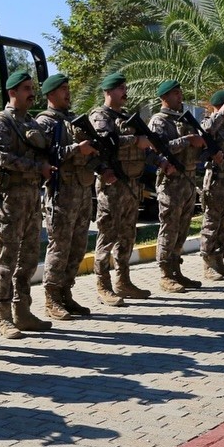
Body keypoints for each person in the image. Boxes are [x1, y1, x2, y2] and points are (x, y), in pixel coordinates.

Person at [0, 70, 52, 339]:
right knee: (7, 261)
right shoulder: (0, 123)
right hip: (10, 201)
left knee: (28, 260)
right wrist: (39, 168)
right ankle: (3, 317)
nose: (31, 93)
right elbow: (4, 159)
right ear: (12, 92)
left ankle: (22, 311)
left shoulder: (30, 121)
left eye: (32, 88)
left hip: (31, 200)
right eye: (26, 88)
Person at [35, 73, 99, 321]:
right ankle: (51, 298)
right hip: (62, 193)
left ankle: (65, 293)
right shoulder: (45, 122)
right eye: (63, 89)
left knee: (78, 246)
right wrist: (76, 149)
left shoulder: (74, 120)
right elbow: (45, 156)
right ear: (50, 94)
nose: (68, 93)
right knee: (59, 247)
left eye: (68, 88)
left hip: (82, 190)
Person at [87, 73, 154, 306]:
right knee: (108, 235)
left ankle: (123, 281)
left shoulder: (126, 117)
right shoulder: (100, 116)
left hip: (131, 184)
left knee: (127, 235)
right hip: (113, 185)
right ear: (108, 91)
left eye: (125, 88)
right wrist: (135, 141)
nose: (125, 92)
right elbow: (105, 142)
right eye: (120, 89)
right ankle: (103, 285)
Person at [149, 80, 206, 291]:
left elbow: (193, 147)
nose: (180, 97)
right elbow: (157, 149)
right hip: (171, 182)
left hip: (188, 180)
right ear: (164, 98)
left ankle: (176, 270)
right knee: (169, 228)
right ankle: (165, 274)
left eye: (180, 93)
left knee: (182, 229)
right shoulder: (159, 120)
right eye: (175, 94)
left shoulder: (184, 119)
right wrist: (187, 140)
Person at [197, 90, 224, 280]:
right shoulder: (210, 121)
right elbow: (204, 133)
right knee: (212, 222)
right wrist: (220, 113)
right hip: (216, 180)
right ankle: (208, 264)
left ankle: (219, 259)